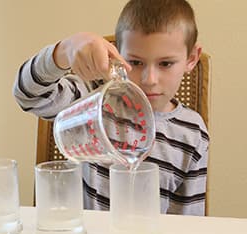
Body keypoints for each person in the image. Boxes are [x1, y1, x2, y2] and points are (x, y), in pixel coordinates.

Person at [12, 0, 209, 216]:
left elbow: (188, 222)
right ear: (117, 55)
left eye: (166, 64)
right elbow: (28, 95)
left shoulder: (193, 133)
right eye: (135, 62)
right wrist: (64, 51)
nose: (150, 79)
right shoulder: (94, 98)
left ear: (191, 59)